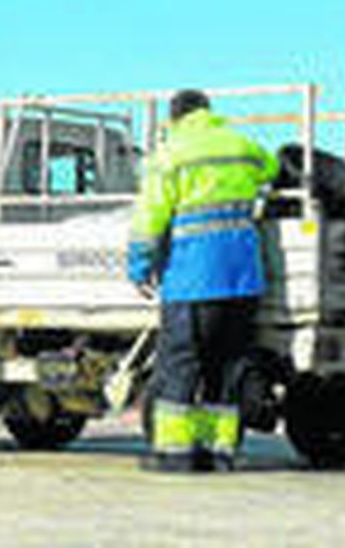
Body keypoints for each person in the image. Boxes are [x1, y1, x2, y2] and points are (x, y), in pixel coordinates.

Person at [127, 89, 279, 472]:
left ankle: (175, 454)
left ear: (174, 118)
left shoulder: (170, 154)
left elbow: (149, 218)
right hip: (243, 278)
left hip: (194, 277)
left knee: (180, 364)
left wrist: (140, 266)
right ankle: (221, 452)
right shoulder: (241, 145)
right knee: (227, 366)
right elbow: (272, 169)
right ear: (207, 112)